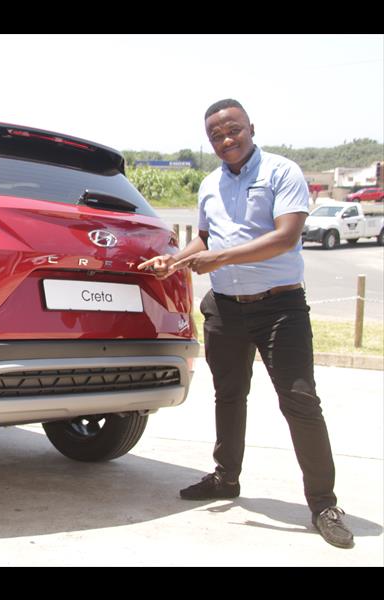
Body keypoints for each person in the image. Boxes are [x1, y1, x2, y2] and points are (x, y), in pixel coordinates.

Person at [138, 99, 353, 549]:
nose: (226, 139)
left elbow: (286, 236)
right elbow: (206, 237)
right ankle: (226, 478)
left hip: (280, 307)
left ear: (251, 127)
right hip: (225, 308)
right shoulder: (209, 184)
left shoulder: (281, 172)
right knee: (229, 396)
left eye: (233, 129)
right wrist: (174, 261)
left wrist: (220, 258)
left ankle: (324, 504)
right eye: (216, 135)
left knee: (300, 401)